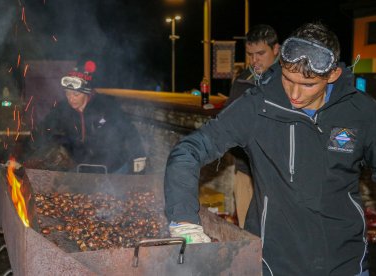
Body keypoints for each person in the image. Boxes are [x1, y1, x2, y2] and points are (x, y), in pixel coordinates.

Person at [165, 22, 376, 275]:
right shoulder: (257, 106)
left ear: (332, 75)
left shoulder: (361, 112)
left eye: (308, 85)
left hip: (344, 261)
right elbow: (188, 150)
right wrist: (184, 220)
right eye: (288, 79)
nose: (295, 94)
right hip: (275, 261)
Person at [39, 60, 146, 174]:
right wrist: (23, 154)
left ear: (87, 92)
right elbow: (45, 127)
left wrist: (139, 154)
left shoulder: (106, 106)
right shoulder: (63, 109)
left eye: (76, 94)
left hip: (113, 166)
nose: (71, 99)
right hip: (84, 165)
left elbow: (128, 129)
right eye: (68, 93)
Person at [225, 24, 280, 228]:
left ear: (276, 49)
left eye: (260, 53)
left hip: (278, 175)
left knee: (277, 236)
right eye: (250, 54)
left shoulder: (292, 80)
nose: (254, 60)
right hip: (246, 170)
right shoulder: (243, 80)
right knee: (247, 236)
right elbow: (228, 123)